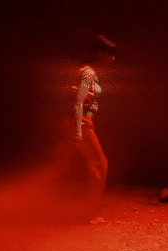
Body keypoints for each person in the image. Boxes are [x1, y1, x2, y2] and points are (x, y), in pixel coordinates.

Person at [68, 35, 116, 220]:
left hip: (83, 122)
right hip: (82, 122)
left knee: (95, 165)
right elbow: (78, 100)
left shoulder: (89, 72)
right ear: (98, 53)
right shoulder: (87, 72)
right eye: (109, 54)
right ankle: (90, 213)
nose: (112, 58)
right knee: (99, 165)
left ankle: (87, 211)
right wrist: (79, 127)